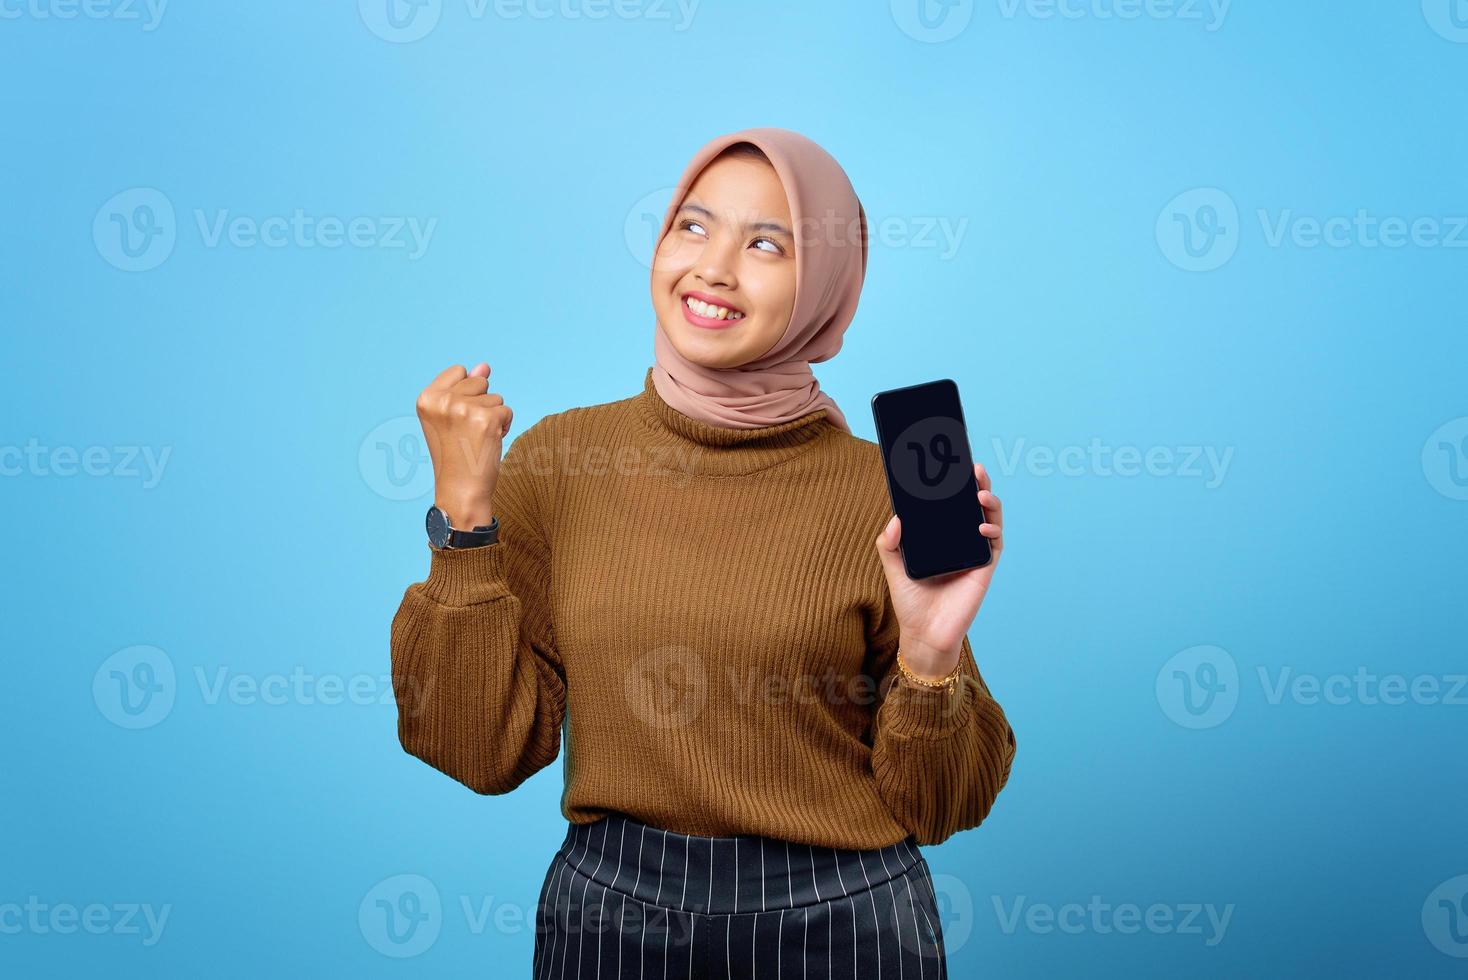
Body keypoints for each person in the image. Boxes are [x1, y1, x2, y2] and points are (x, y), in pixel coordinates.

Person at [390, 126, 1017, 978]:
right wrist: (464, 519)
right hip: (613, 922)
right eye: (693, 226)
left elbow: (946, 804)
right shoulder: (561, 460)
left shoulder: (889, 495)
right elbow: (477, 749)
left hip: (845, 927)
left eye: (766, 243)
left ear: (825, 286)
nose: (713, 268)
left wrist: (931, 655)